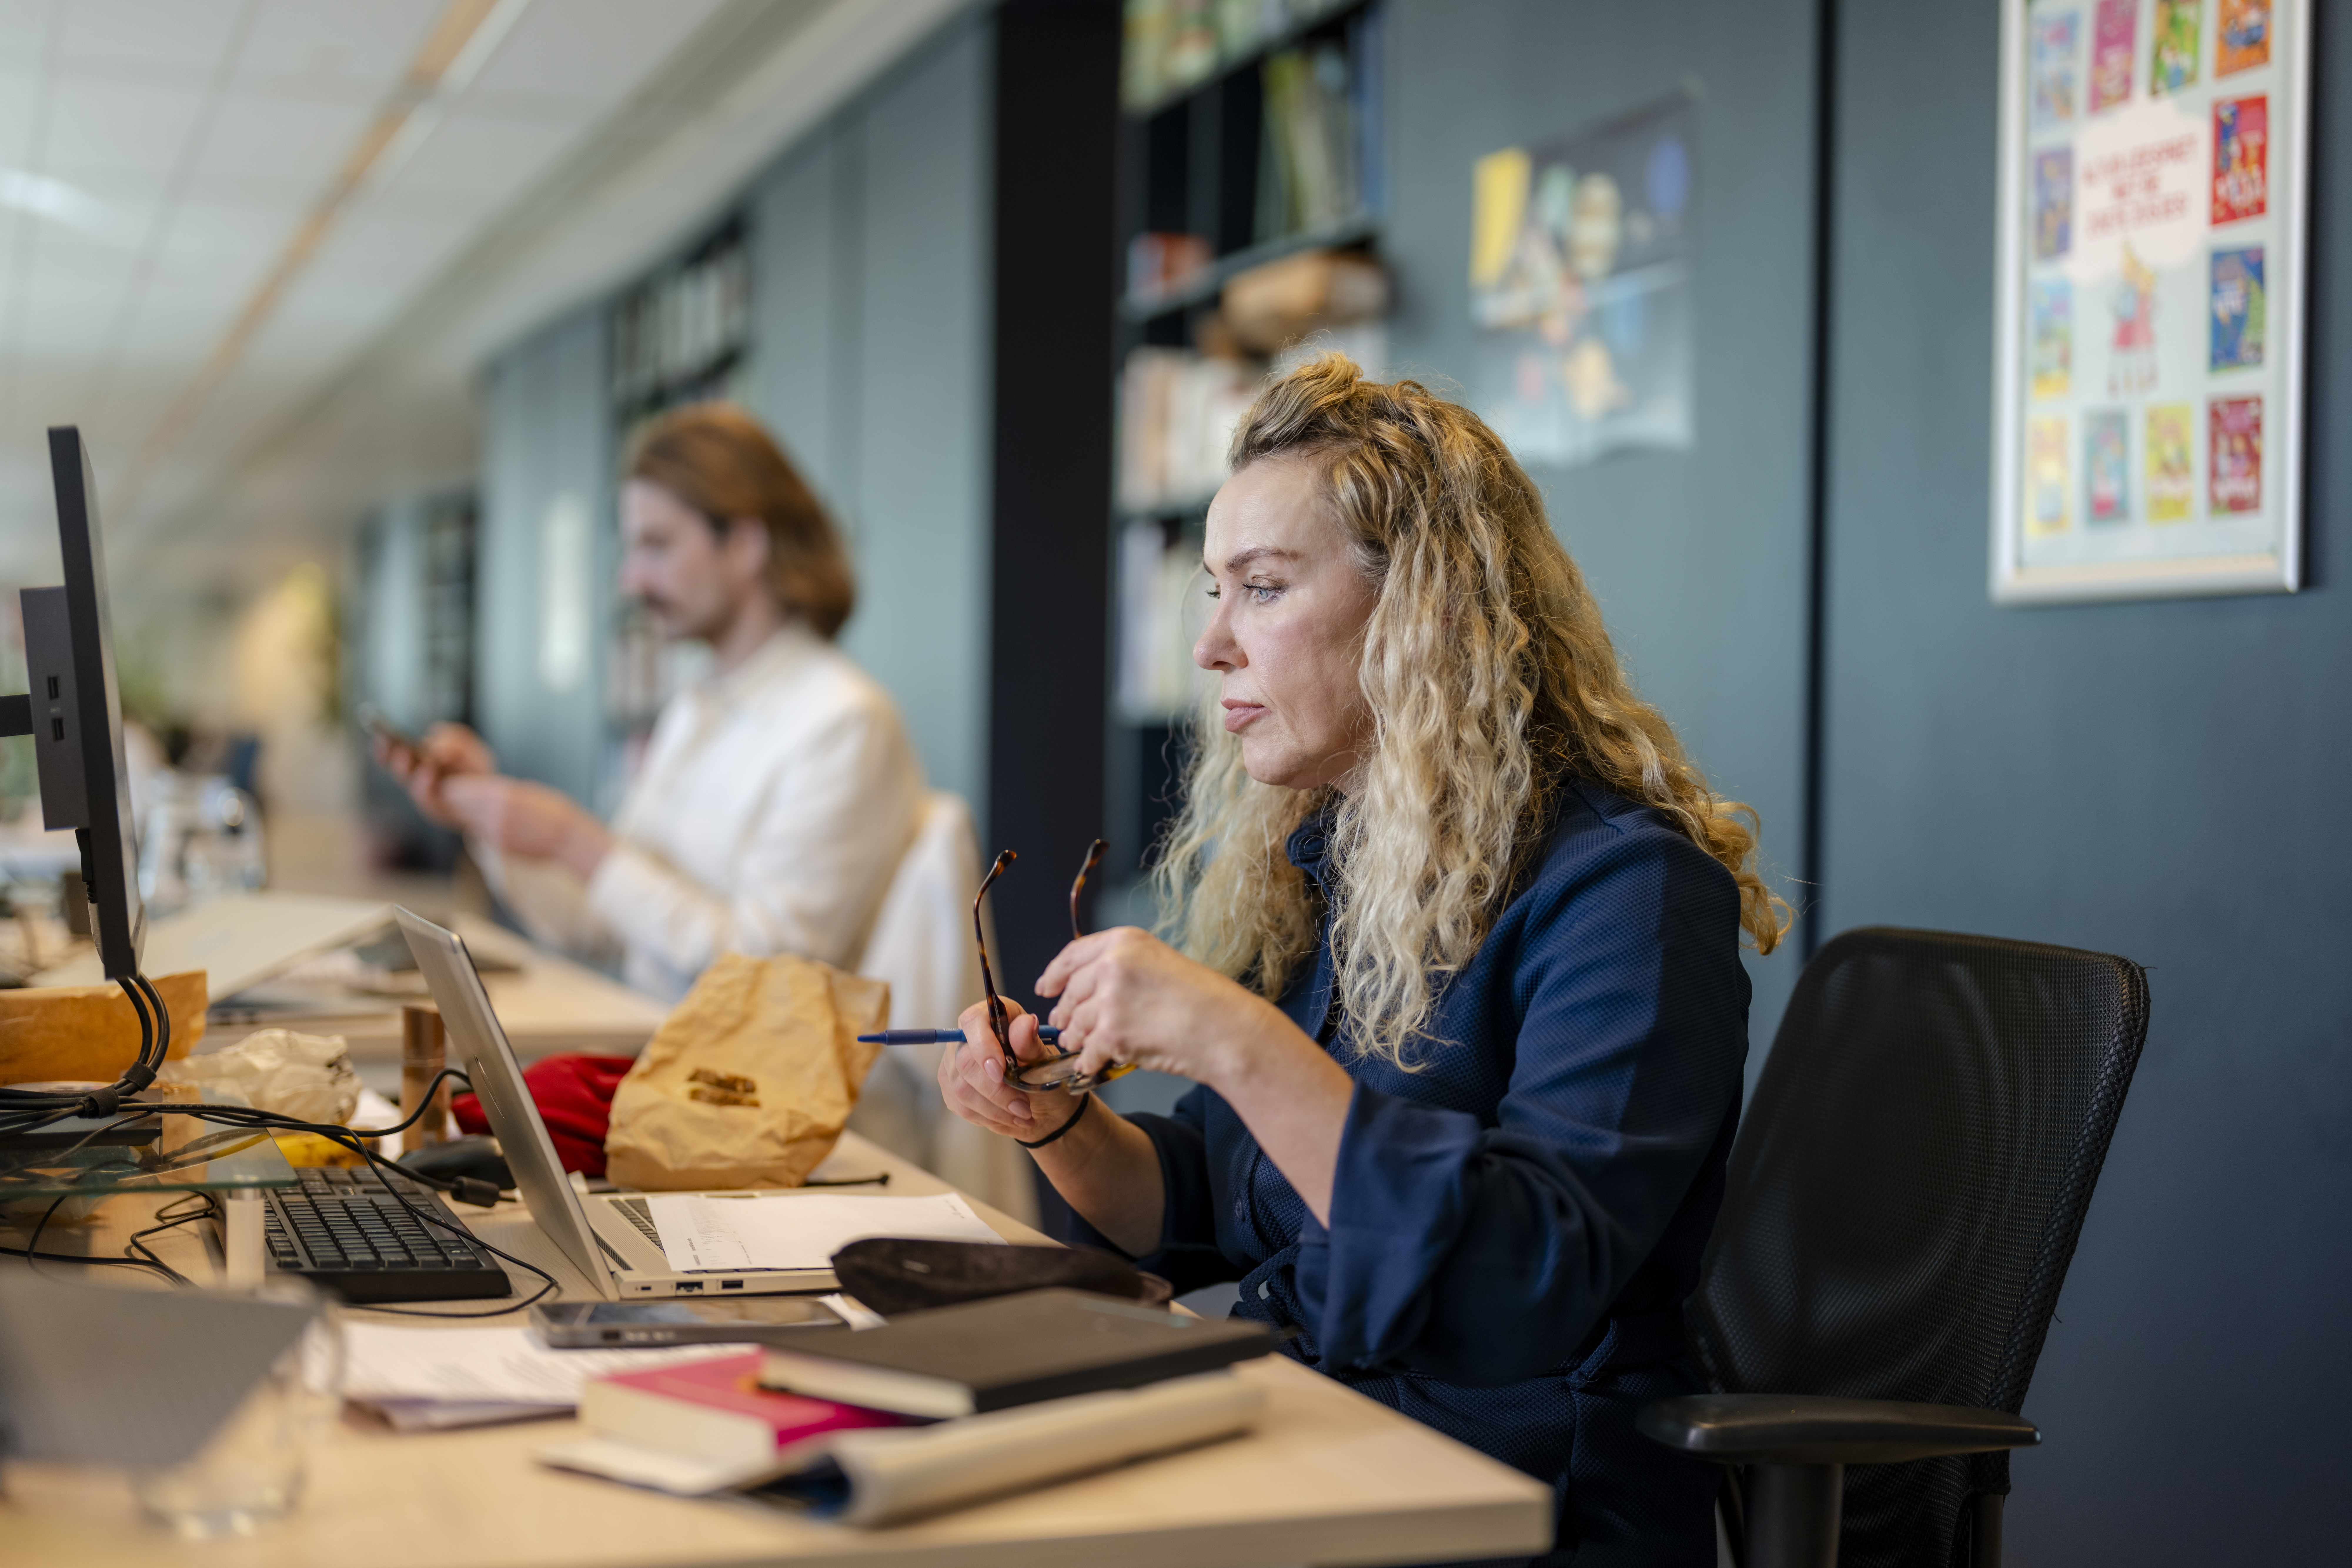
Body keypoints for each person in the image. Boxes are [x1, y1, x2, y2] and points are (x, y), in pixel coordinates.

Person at [938, 355, 1787, 1567]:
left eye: (1264, 589)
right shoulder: (1346, 863)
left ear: (1419, 612)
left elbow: (1526, 1277)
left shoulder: (1629, 892)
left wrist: (1233, 1039)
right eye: (1210, 592)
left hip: (1519, 1502)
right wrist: (1056, 1123)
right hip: (1322, 1435)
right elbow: (1213, 1208)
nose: (1212, 645)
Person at [380, 403, 922, 1003]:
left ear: (745, 544)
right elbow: (601, 925)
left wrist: (577, 843)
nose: (631, 581)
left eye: (656, 545)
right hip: (654, 1054)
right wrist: (487, 816)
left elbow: (772, 979)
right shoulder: (695, 705)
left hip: (746, 1086)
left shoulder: (844, 722)